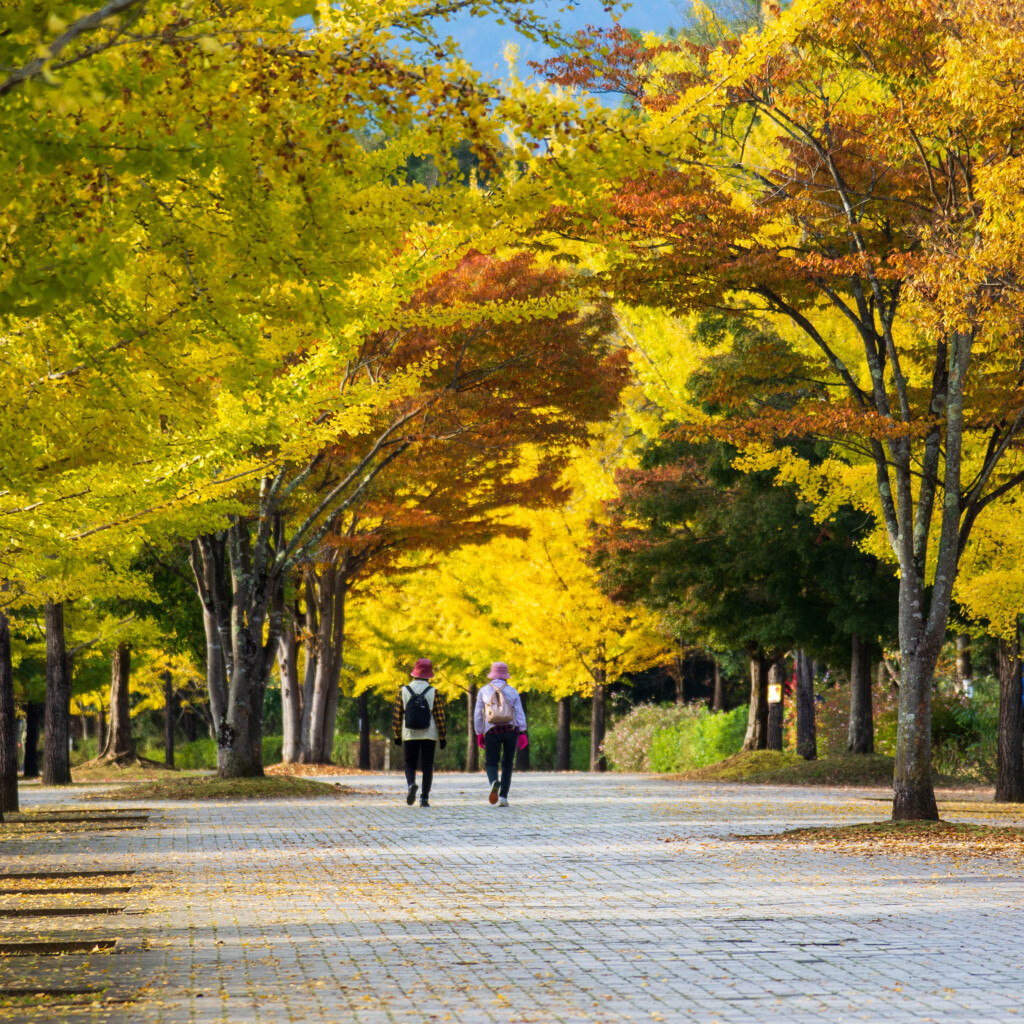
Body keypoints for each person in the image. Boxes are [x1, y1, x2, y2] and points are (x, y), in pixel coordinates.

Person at [392, 658, 447, 807]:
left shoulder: (403, 691)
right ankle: (424, 798)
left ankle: (411, 784)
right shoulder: (433, 691)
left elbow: (397, 715)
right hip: (429, 733)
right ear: (429, 675)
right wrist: (442, 736)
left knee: (410, 763)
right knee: (427, 766)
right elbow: (439, 716)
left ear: (414, 673)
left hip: (409, 733)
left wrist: (397, 734)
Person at [473, 662, 528, 807]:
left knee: (491, 762)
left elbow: (478, 715)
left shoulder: (484, 691)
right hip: (511, 730)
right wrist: (522, 732)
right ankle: (503, 796)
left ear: (492, 675)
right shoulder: (513, 691)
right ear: (506, 676)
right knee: (507, 763)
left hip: (492, 731)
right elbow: (520, 713)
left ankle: (493, 783)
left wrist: (479, 732)